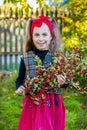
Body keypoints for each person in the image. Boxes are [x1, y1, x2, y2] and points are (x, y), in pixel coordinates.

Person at [16, 15, 67, 130]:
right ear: (32, 36)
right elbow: (19, 79)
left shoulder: (57, 58)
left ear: (51, 36)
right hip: (32, 102)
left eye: (44, 34)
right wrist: (19, 88)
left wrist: (62, 82)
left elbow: (66, 82)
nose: (40, 38)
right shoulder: (26, 57)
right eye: (36, 34)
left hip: (52, 103)